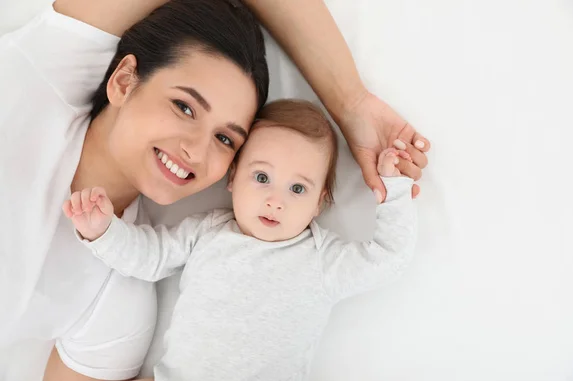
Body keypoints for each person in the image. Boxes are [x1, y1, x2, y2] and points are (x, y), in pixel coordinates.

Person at [0, 0, 429, 379]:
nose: (196, 151)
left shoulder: (118, 297)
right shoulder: (43, 74)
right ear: (124, 80)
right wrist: (349, 102)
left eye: (226, 139)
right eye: (184, 106)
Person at [64, 100, 418, 381]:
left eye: (298, 189)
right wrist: (103, 230)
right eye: (261, 176)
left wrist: (395, 190)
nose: (275, 200)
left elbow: (389, 258)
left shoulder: (322, 260)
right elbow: (149, 256)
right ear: (233, 178)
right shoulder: (206, 232)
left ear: (319, 204)